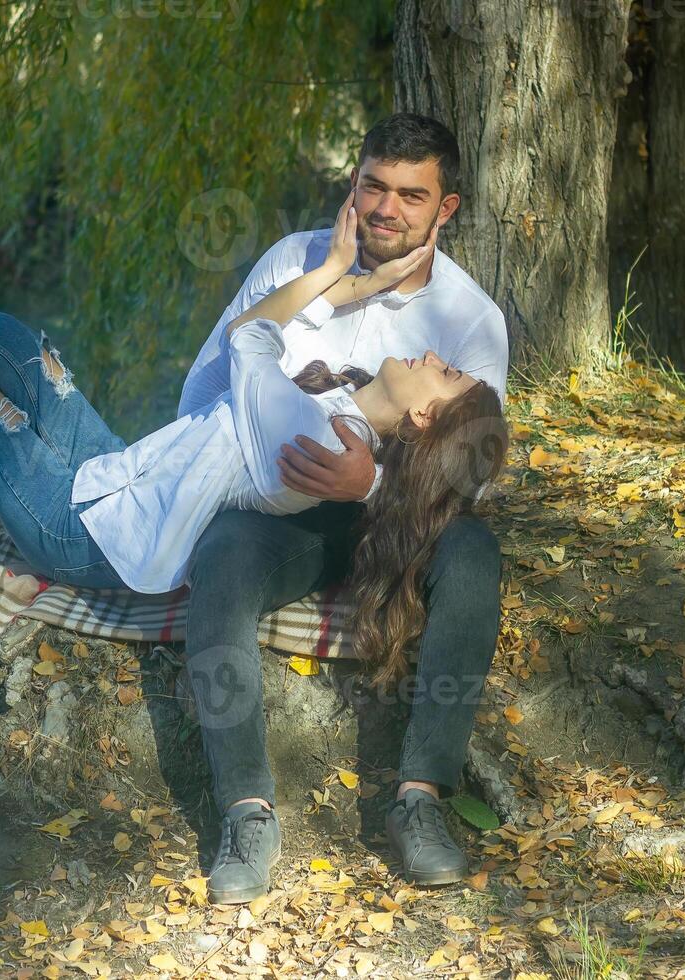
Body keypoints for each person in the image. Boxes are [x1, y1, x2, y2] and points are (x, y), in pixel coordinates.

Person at [0, 183, 505, 689]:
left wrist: (339, 272)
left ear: (426, 418)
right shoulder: (333, 409)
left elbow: (248, 333)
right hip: (120, 474)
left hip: (90, 539)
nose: (436, 356)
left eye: (444, 374)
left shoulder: (308, 427)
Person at [176, 113, 510, 904]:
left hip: (393, 518)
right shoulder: (294, 263)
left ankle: (422, 797)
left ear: (445, 209)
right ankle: (247, 812)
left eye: (410, 195)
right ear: (353, 182)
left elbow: (471, 480)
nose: (386, 210)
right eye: (373, 187)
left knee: (474, 556)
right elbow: (202, 392)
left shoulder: (470, 320)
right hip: (283, 504)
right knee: (221, 558)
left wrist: (368, 484)